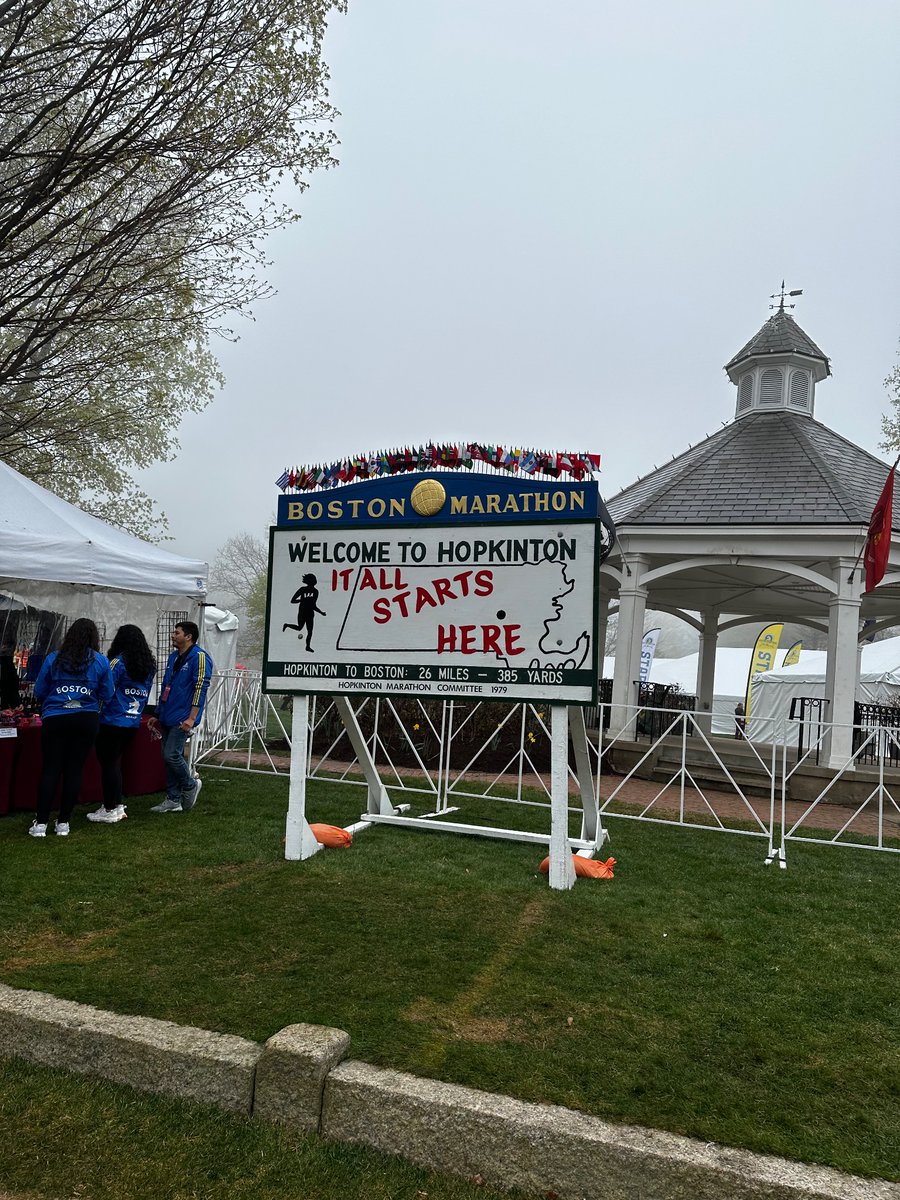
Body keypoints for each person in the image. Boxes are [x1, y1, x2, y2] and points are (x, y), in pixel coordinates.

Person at [30, 618, 114, 837]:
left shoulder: (53, 659)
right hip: (86, 719)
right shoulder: (101, 661)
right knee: (74, 769)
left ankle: (40, 824)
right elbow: (108, 693)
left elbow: (39, 690)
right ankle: (64, 823)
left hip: (56, 717)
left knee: (51, 769)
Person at [87, 625, 157, 824]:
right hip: (132, 721)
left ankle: (111, 808)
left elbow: (106, 690)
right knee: (113, 763)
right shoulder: (149, 666)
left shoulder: (117, 662)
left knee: (109, 764)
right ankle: (114, 804)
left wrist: (96, 711)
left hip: (111, 720)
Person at [148, 620, 213, 814]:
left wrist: (192, 718)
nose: (172, 635)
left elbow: (201, 689)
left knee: (171, 754)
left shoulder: (200, 657)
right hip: (168, 713)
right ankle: (173, 799)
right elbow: (166, 685)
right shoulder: (173, 657)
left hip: (183, 716)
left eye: (177, 632)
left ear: (188, 636)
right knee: (167, 757)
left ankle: (190, 784)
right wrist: (158, 713)